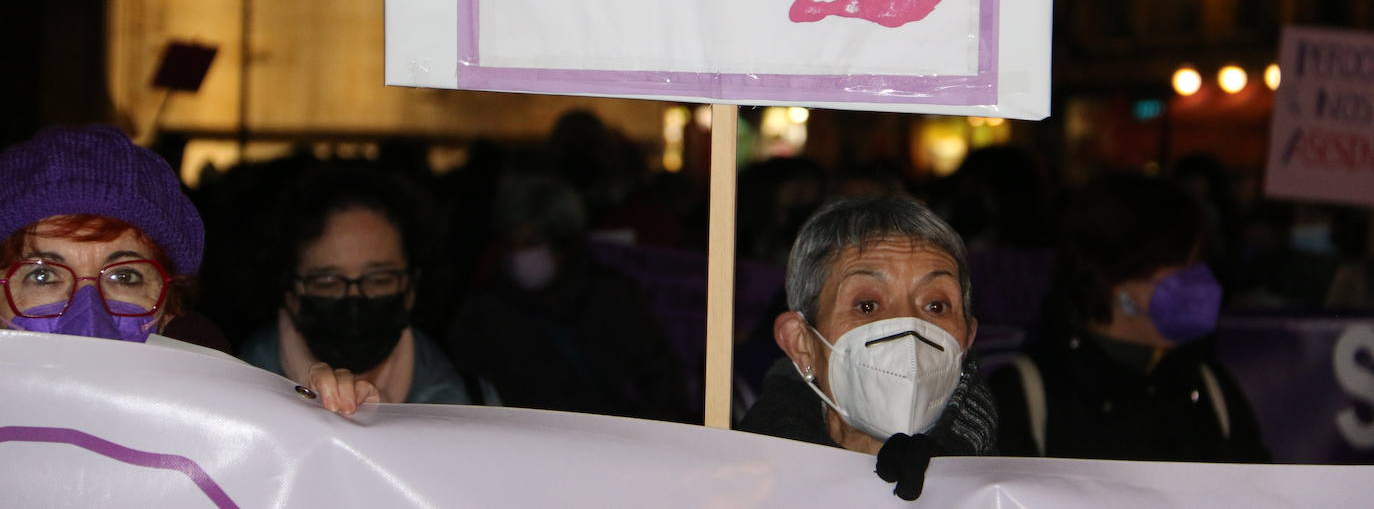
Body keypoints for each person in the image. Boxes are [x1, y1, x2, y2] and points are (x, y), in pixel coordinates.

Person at [0, 124, 374, 415]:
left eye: (124, 276)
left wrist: (311, 429)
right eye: (42, 275)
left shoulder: (223, 426)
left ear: (170, 308)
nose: (89, 321)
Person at [989, 173, 1268, 462]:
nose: (1203, 283)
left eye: (1200, 264)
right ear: (1116, 279)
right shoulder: (1027, 395)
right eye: (1183, 267)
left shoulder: (1209, 386)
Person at [737, 193, 997, 501]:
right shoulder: (738, 488)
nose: (908, 327)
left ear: (967, 338)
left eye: (936, 306)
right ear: (802, 344)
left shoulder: (1008, 490)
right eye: (868, 306)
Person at [240, 160, 491, 404]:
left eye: (379, 279)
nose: (354, 300)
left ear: (411, 288)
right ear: (290, 292)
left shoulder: (473, 407)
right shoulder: (233, 399)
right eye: (328, 281)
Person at [450, 173, 690, 421]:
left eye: (531, 243)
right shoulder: (487, 312)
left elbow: (659, 380)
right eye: (512, 244)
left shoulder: (612, 300)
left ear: (563, 244)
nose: (518, 256)